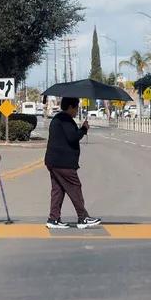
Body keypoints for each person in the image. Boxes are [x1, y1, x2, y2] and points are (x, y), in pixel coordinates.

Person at [44, 96, 101, 229]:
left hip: (54, 161)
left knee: (58, 190)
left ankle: (53, 219)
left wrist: (81, 129)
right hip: (63, 163)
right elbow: (72, 137)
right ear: (70, 107)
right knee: (75, 188)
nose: (77, 111)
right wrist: (84, 129)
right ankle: (83, 217)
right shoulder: (65, 119)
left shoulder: (58, 118)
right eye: (76, 108)